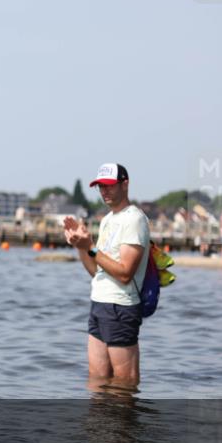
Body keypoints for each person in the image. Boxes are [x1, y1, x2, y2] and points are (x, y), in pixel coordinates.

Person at [62, 163, 149, 386]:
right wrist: (81, 246)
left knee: (124, 385)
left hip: (121, 307)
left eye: (109, 185)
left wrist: (90, 247)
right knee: (96, 380)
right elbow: (97, 272)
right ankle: (101, 423)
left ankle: (126, 422)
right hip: (99, 303)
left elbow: (124, 274)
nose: (104, 191)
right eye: (100, 186)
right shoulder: (108, 220)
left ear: (125, 185)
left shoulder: (134, 219)